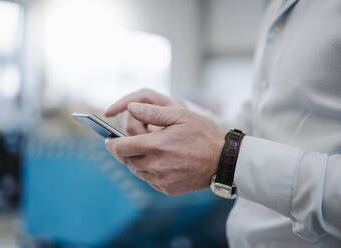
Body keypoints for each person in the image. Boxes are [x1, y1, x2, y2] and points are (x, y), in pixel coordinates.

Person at [104, 0, 341, 247]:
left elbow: (237, 151)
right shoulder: (276, 9)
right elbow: (258, 125)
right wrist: (180, 118)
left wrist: (226, 157)